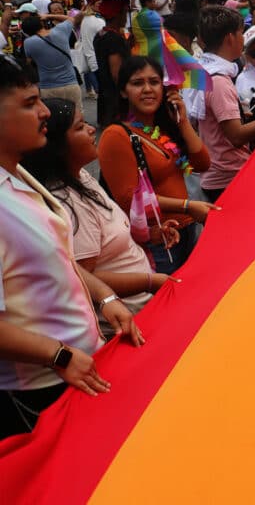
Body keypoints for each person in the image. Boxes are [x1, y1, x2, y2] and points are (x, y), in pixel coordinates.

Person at [0, 54, 144, 440]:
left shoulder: (18, 173)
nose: (45, 112)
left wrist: (105, 297)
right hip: (39, 390)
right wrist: (57, 354)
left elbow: (57, 260)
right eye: (29, 104)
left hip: (81, 365)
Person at [20, 98, 181, 337]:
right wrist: (151, 281)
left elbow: (110, 237)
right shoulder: (68, 203)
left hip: (143, 307)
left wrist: (151, 234)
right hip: (132, 321)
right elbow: (85, 278)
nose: (92, 128)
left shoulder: (81, 176)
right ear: (57, 145)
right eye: (79, 127)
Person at [98, 56, 213, 273]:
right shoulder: (116, 135)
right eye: (137, 83)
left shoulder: (162, 129)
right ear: (123, 92)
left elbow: (203, 163)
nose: (148, 89)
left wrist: (183, 121)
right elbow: (129, 198)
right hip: (159, 241)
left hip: (187, 229)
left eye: (154, 82)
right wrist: (187, 206)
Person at [197, 6, 255, 202]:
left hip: (219, 173)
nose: (243, 39)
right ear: (230, 38)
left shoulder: (206, 72)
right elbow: (236, 136)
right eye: (241, 33)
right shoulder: (219, 81)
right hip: (227, 176)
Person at [21, 12, 85, 108]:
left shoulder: (28, 43)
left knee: (55, 119)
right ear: (42, 23)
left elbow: (28, 63)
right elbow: (71, 19)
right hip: (71, 84)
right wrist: (48, 16)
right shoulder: (60, 30)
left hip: (48, 87)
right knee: (77, 114)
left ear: (26, 32)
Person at [93, 0, 130, 127]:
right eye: (125, 13)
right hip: (115, 95)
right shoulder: (114, 39)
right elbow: (116, 73)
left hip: (105, 89)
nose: (126, 17)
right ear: (118, 15)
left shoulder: (100, 34)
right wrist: (126, 92)